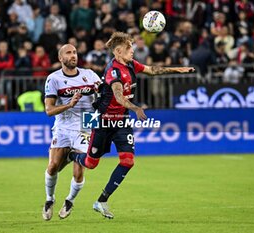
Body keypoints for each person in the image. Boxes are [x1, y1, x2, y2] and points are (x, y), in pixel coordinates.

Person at [69, 32, 194, 219]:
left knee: (128, 161)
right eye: (129, 48)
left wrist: (178, 70)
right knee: (90, 163)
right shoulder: (114, 71)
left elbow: (152, 70)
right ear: (118, 52)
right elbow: (118, 97)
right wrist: (136, 108)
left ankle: (101, 200)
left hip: (121, 121)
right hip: (103, 121)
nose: (132, 50)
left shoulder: (131, 65)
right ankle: (71, 155)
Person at [42, 44, 101, 220]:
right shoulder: (54, 79)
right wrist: (69, 104)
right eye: (69, 53)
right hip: (63, 125)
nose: (73, 55)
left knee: (79, 172)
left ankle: (69, 200)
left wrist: (102, 92)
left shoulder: (89, 74)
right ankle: (49, 199)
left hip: (86, 124)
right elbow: (49, 110)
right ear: (61, 58)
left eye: (74, 52)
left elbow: (105, 92)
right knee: (53, 167)